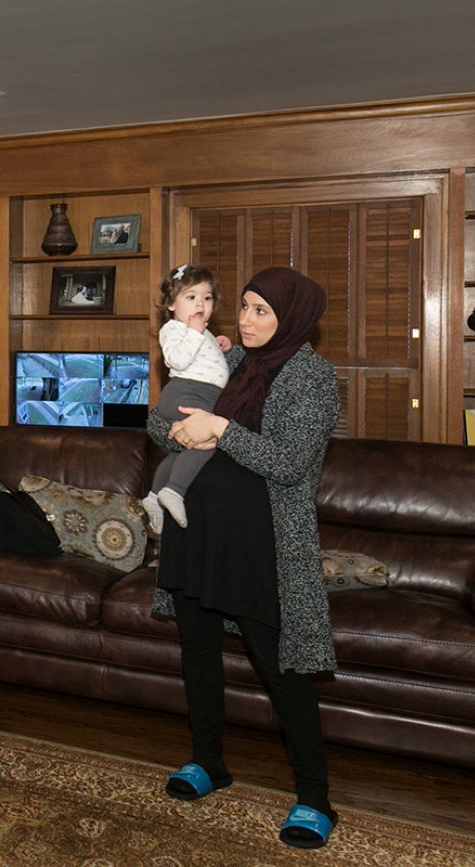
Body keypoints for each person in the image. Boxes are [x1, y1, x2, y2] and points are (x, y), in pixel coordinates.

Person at [147, 266, 340, 850]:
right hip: (196, 533)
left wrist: (219, 429)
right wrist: (177, 429)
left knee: (282, 671)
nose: (247, 321)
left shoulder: (314, 377)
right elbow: (161, 423)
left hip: (262, 546)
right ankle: (208, 761)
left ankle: (314, 798)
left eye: (262, 311)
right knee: (198, 652)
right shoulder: (224, 360)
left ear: (293, 318)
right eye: (246, 308)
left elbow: (287, 462)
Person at [140, 264, 230, 532]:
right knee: (208, 442)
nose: (200, 304)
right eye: (190, 297)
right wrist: (195, 333)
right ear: (170, 304)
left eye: (207, 297)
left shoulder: (200, 332)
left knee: (183, 450)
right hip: (188, 392)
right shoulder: (174, 329)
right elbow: (177, 359)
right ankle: (175, 491)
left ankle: (155, 496)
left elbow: (206, 359)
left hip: (201, 393)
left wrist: (221, 344)